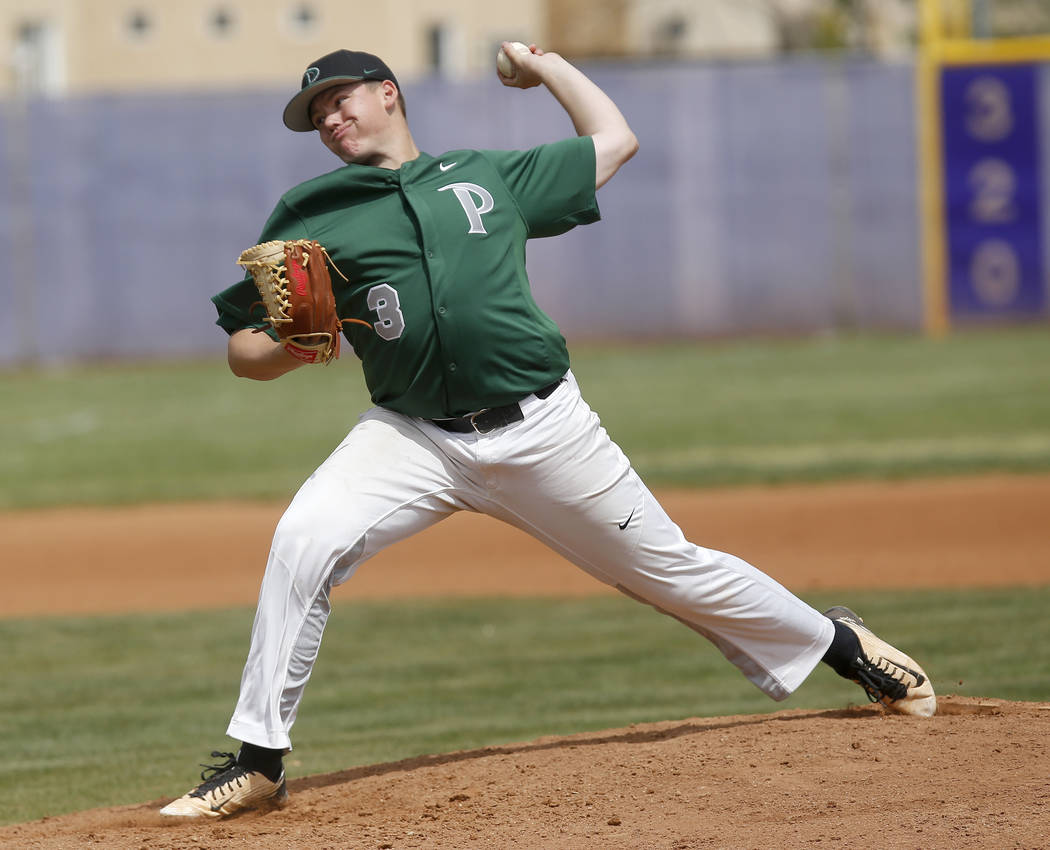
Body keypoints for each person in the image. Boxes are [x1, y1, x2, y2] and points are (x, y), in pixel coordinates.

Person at [160, 45, 935, 819]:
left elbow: (615, 140)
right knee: (302, 539)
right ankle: (260, 760)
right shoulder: (309, 213)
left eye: (340, 100)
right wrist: (292, 345)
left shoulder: (484, 175)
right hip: (411, 435)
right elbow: (243, 353)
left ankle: (842, 645)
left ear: (389, 94)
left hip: (543, 427)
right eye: (316, 114)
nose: (330, 119)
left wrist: (546, 66)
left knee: (667, 569)